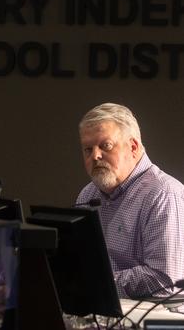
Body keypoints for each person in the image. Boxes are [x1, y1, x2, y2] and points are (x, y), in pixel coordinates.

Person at [76, 102, 184, 298]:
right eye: (87, 149)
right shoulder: (88, 195)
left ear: (133, 147)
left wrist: (101, 283)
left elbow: (165, 280)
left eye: (105, 146)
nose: (95, 156)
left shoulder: (163, 194)